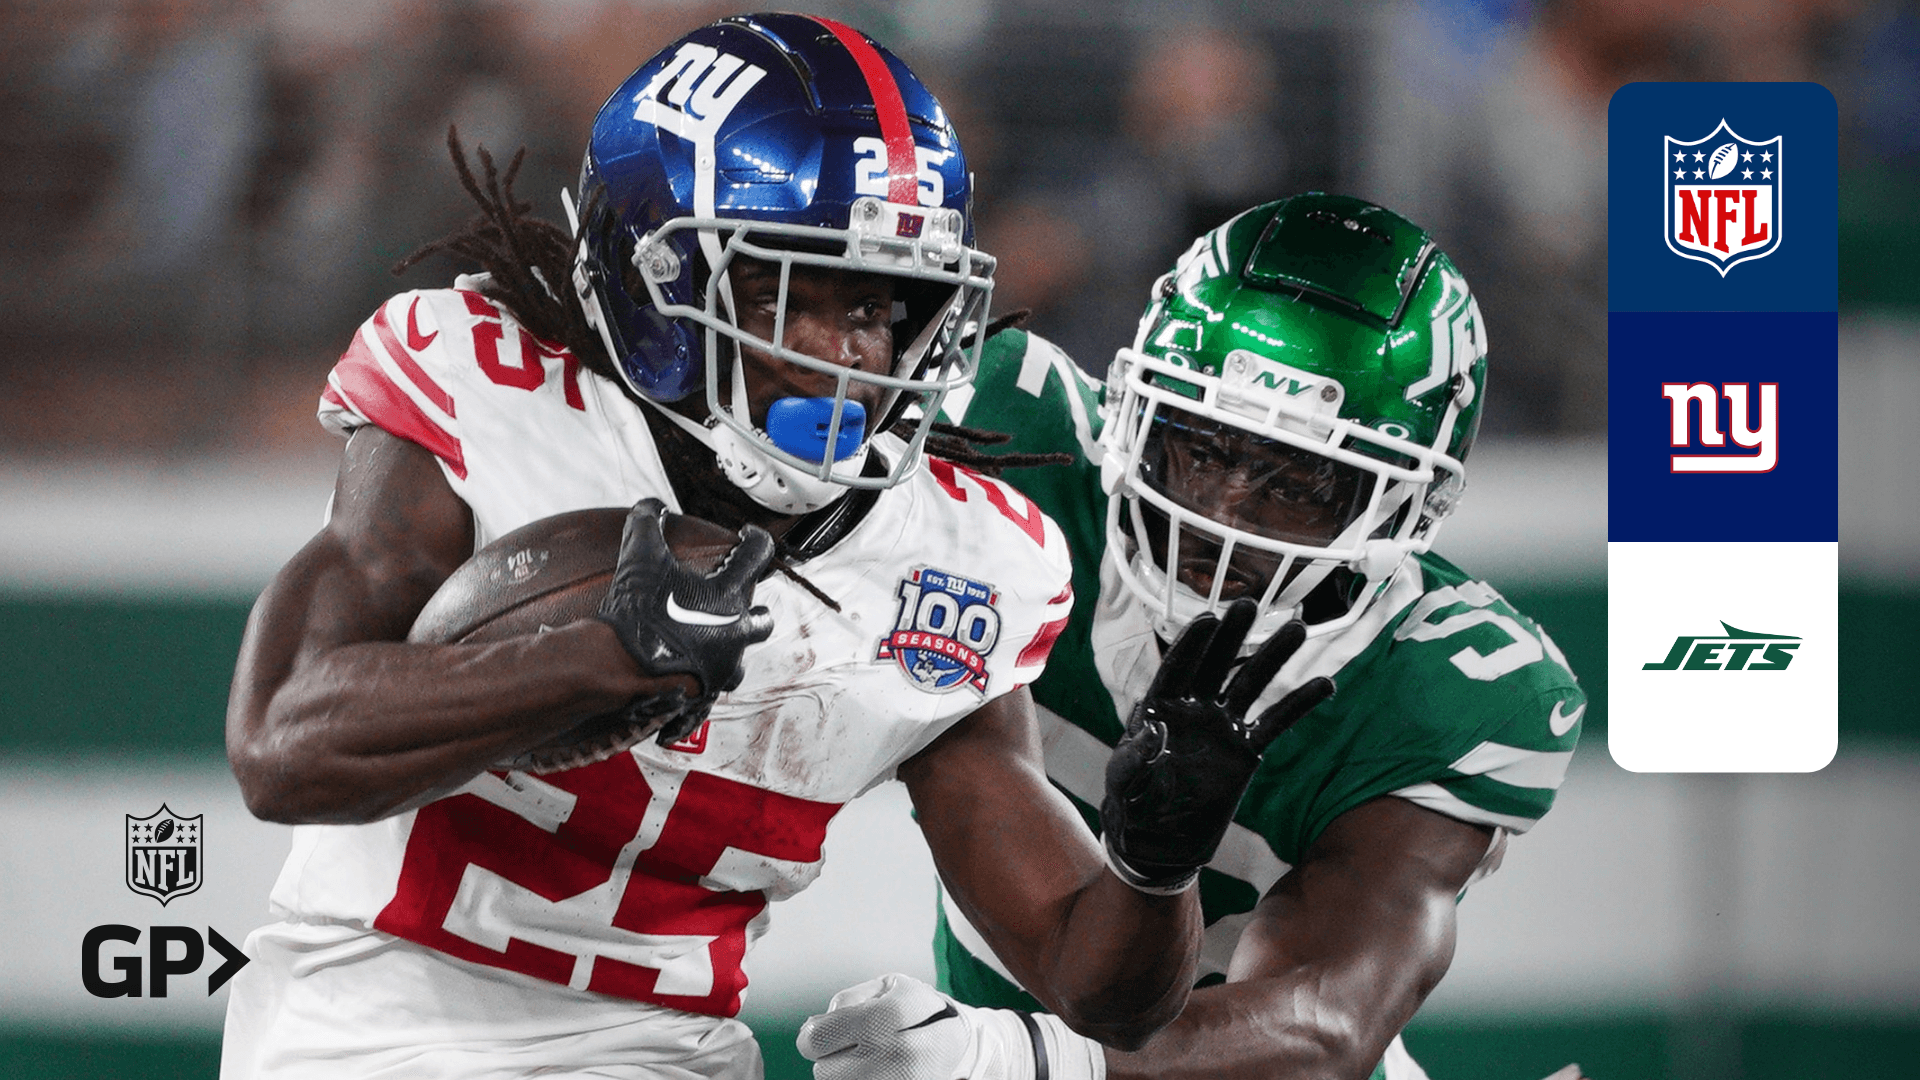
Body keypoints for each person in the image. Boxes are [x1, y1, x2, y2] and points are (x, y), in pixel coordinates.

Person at [220, 14, 1283, 1078]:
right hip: (366, 1030)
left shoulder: (953, 561)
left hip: (666, 1055)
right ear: (652, 278)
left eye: (875, 304)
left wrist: (1155, 865)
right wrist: (580, 664)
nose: (841, 354)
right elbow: (282, 745)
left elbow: (1095, 986)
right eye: (781, 293)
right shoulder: (497, 396)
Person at [797, 194, 1588, 1080]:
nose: (1223, 516)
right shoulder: (1013, 448)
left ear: (1404, 508)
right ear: (1133, 411)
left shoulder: (1445, 685)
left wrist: (1008, 1060)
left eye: (1296, 484)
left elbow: (1326, 1022)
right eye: (1201, 448)